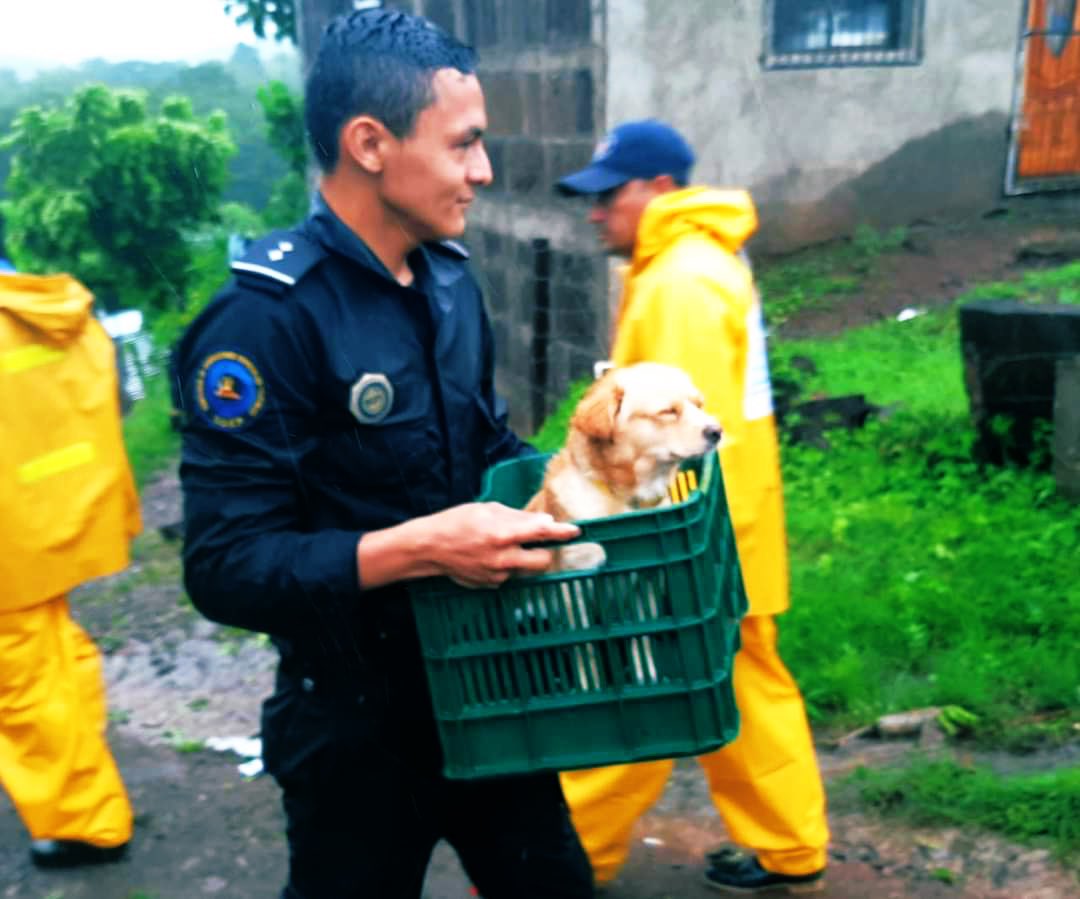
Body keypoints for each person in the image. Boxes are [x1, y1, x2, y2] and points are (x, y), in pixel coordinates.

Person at [172, 9, 594, 899]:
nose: (483, 172)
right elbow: (223, 565)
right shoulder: (265, 321)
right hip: (352, 726)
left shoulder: (448, 278)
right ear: (370, 143)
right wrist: (423, 546)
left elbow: (485, 445)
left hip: (490, 687)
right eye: (463, 145)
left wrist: (585, 480)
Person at [554, 120, 831, 894]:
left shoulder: (679, 282)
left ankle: (562, 862)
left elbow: (679, 436)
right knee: (738, 688)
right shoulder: (692, 265)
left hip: (695, 540)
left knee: (639, 692)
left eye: (610, 194)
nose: (596, 211)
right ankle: (789, 847)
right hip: (726, 533)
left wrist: (648, 543)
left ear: (661, 190)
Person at [0, 269, 140, 868]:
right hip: (55, 514)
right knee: (55, 657)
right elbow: (116, 396)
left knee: (22, 684)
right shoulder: (42, 302)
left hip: (12, 535)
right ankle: (90, 789)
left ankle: (88, 823)